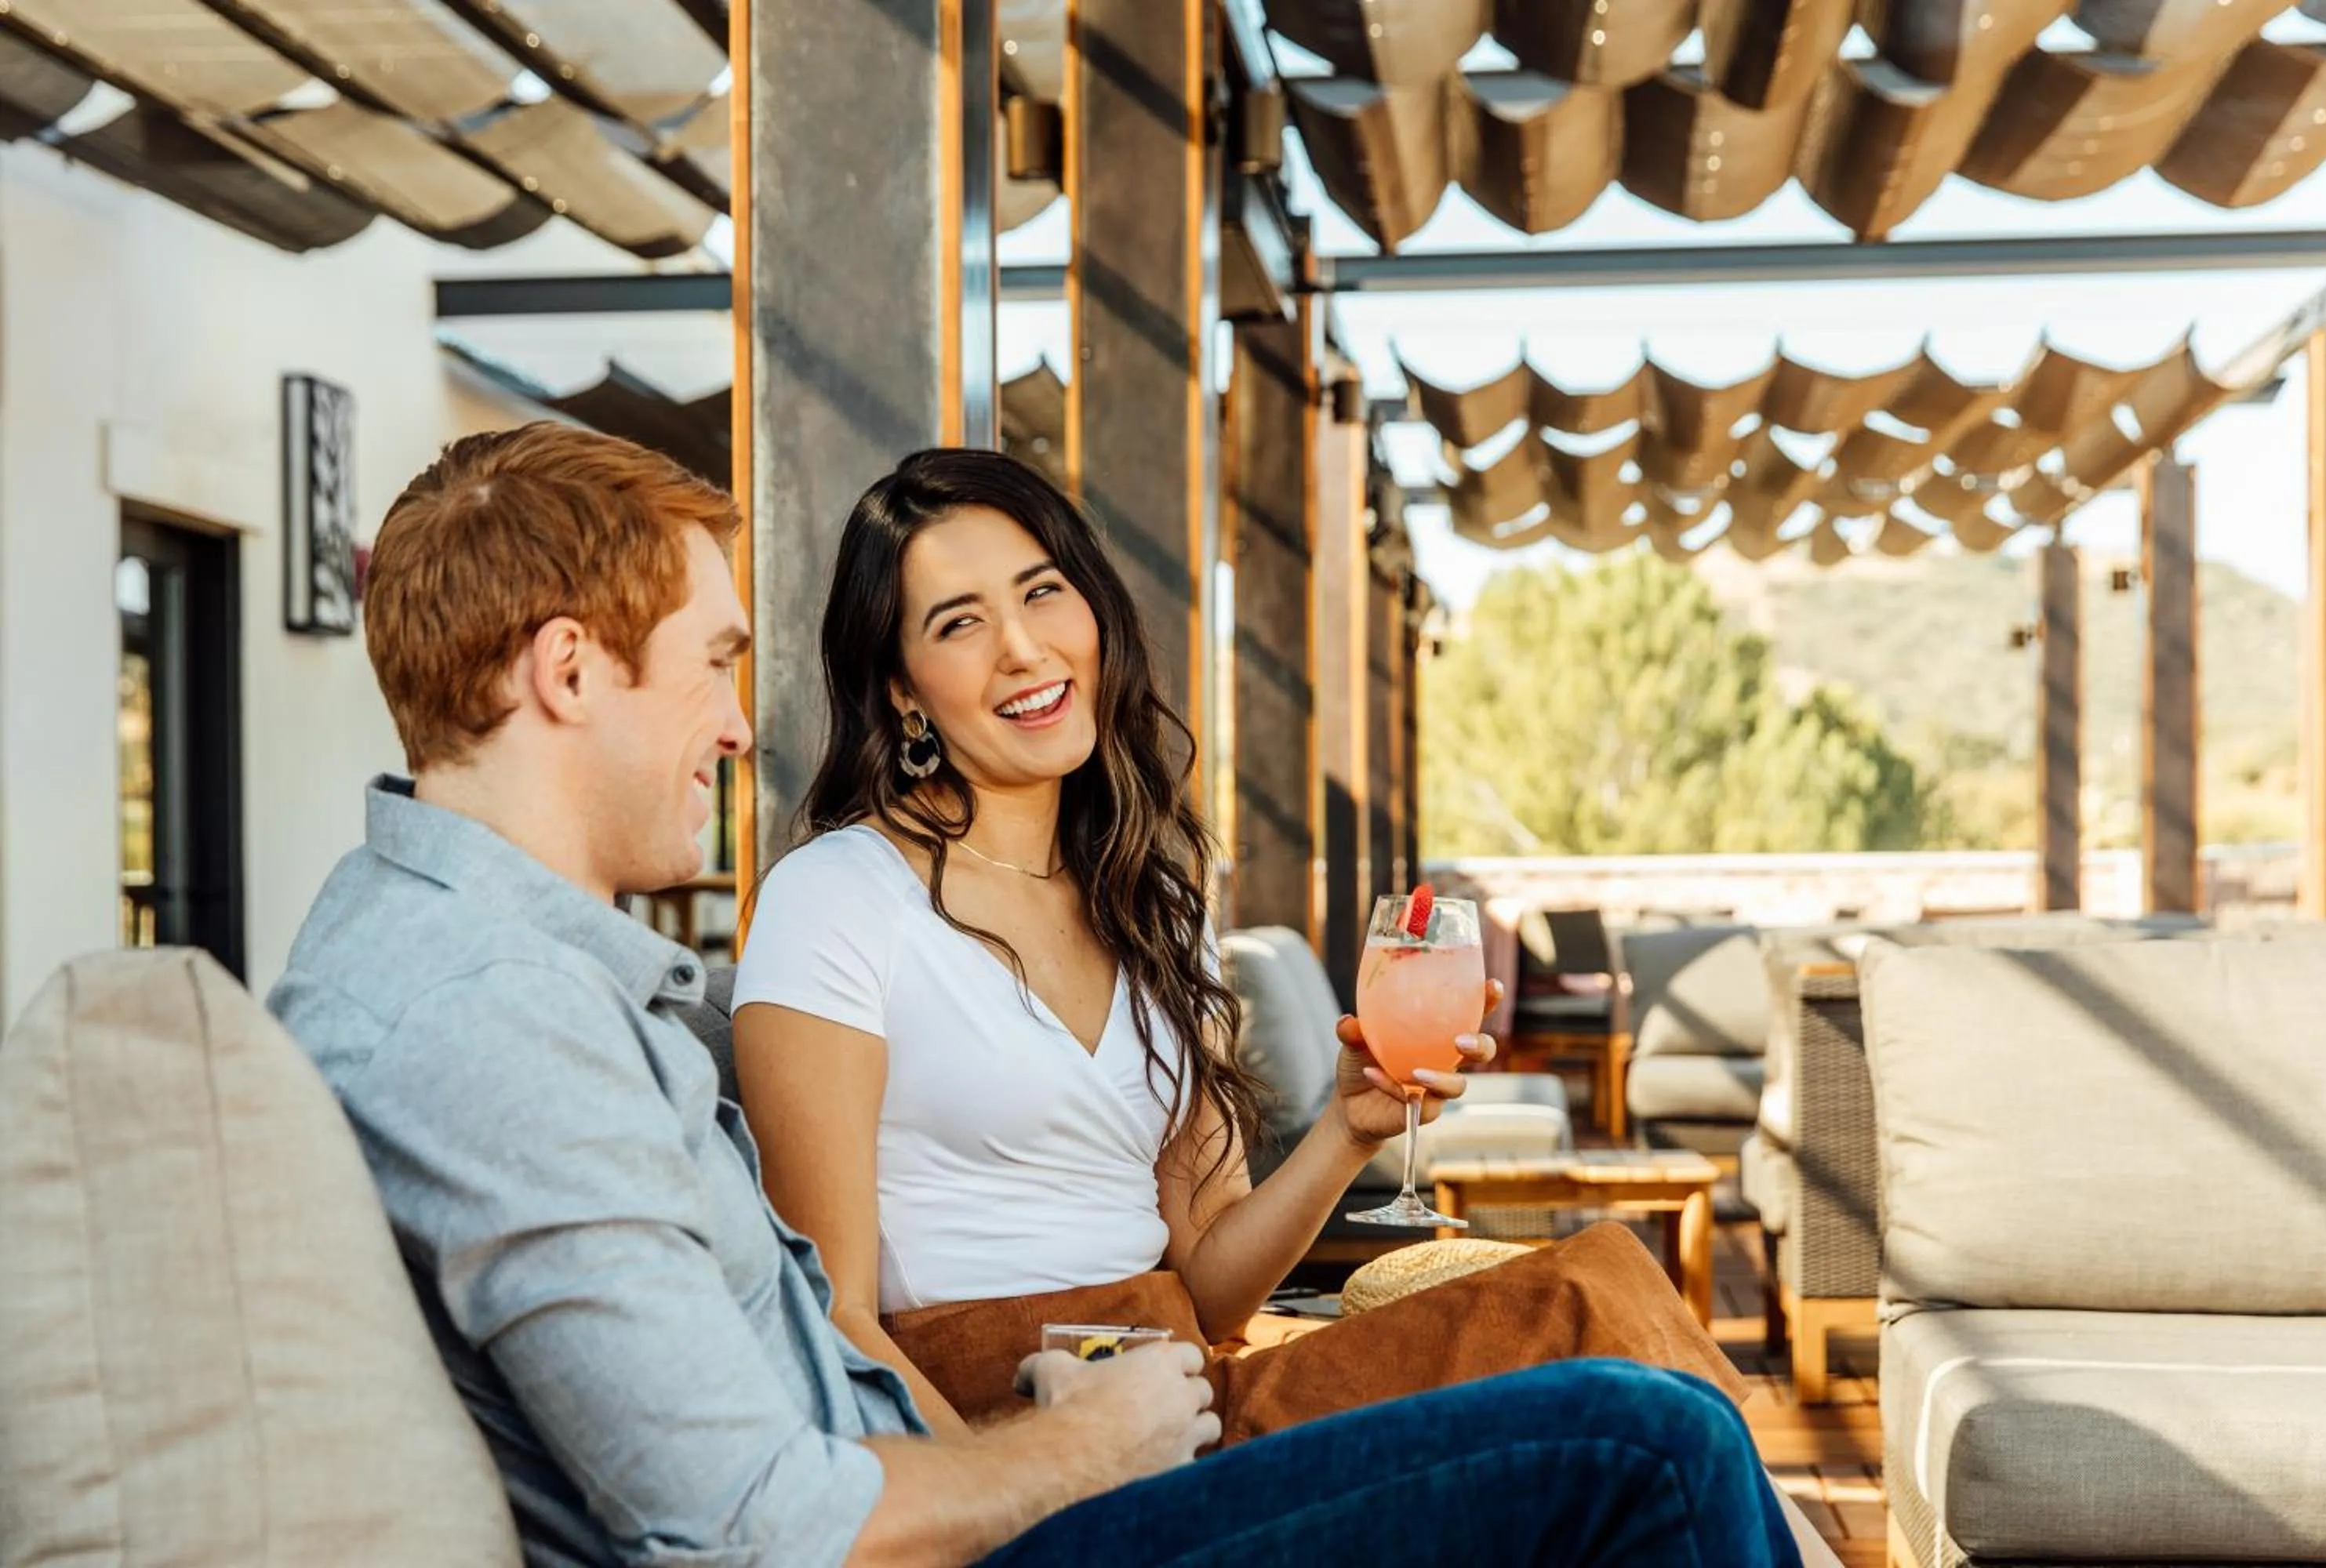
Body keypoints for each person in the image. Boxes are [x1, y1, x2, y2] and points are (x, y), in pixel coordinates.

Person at [268, 422, 1803, 1566]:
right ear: (568, 673)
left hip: (1089, 1412)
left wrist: (1342, 1132)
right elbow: (756, 1505)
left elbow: (805, 1355)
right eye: (715, 662)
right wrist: (1064, 1452)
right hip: (1004, 1459)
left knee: (1619, 1356)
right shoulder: (488, 1015)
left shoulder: (537, 988)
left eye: (1042, 592)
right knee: (1636, 1425)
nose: (741, 723)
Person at [729, 448, 1743, 1441]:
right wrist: (993, 1494)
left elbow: (1212, 1290)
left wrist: (1350, 1128)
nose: (1023, 648)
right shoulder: (838, 900)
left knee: (1601, 1300)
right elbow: (830, 1314)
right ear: (902, 689)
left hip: (1183, 1407)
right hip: (1006, 1430)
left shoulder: (1150, 905)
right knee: (1610, 1386)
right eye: (959, 624)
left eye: (1042, 593)